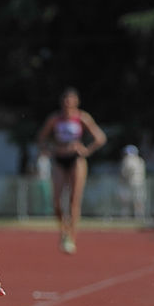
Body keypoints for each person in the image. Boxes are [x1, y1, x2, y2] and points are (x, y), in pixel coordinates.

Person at [35, 88, 106, 254]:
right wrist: (49, 149)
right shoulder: (55, 118)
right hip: (59, 160)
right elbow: (41, 138)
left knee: (74, 200)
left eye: (71, 99)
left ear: (76, 102)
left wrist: (86, 150)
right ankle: (63, 230)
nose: (68, 103)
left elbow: (100, 137)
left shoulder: (82, 117)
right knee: (57, 202)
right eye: (65, 99)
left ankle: (71, 238)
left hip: (76, 160)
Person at [119, 145, 146, 220]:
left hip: (129, 182)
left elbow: (125, 172)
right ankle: (139, 216)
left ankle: (125, 216)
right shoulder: (140, 160)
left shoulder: (127, 160)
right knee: (138, 200)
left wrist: (123, 178)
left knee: (126, 200)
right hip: (140, 182)